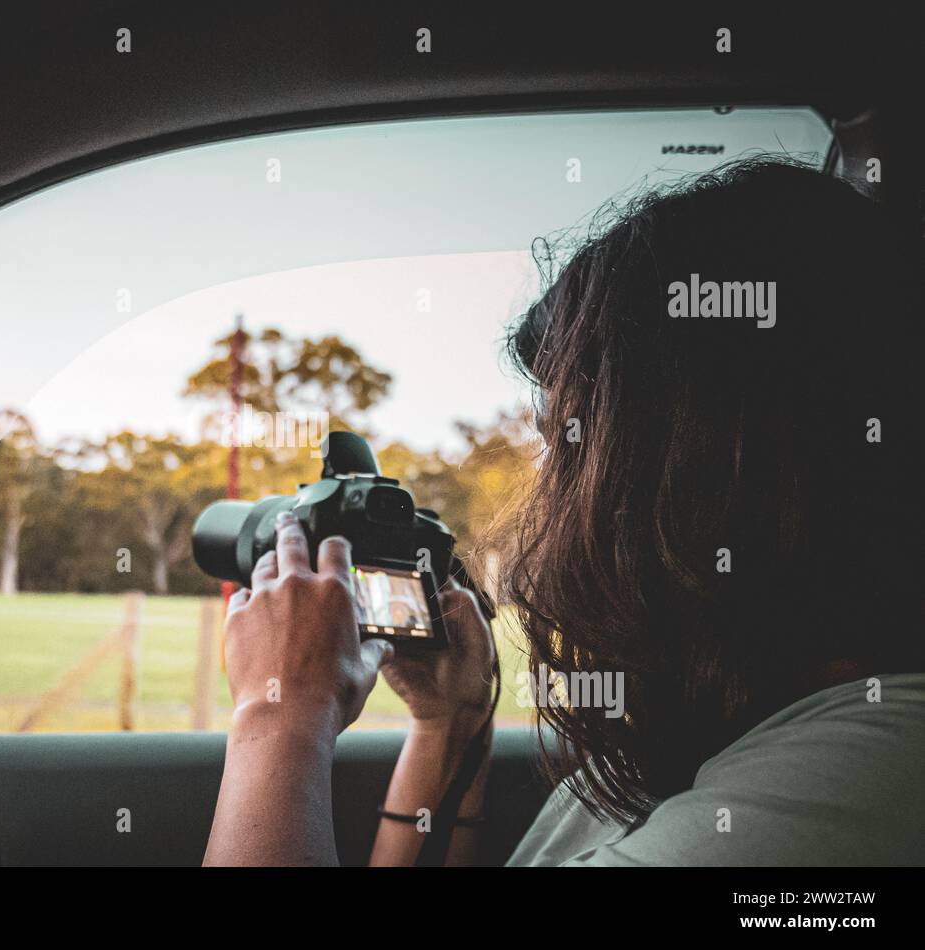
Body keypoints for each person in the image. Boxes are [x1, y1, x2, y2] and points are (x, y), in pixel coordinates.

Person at [202, 160, 925, 866]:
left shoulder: (837, 794)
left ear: (706, 472)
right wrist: (449, 725)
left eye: (568, 447)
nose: (542, 500)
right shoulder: (738, 739)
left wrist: (278, 718)